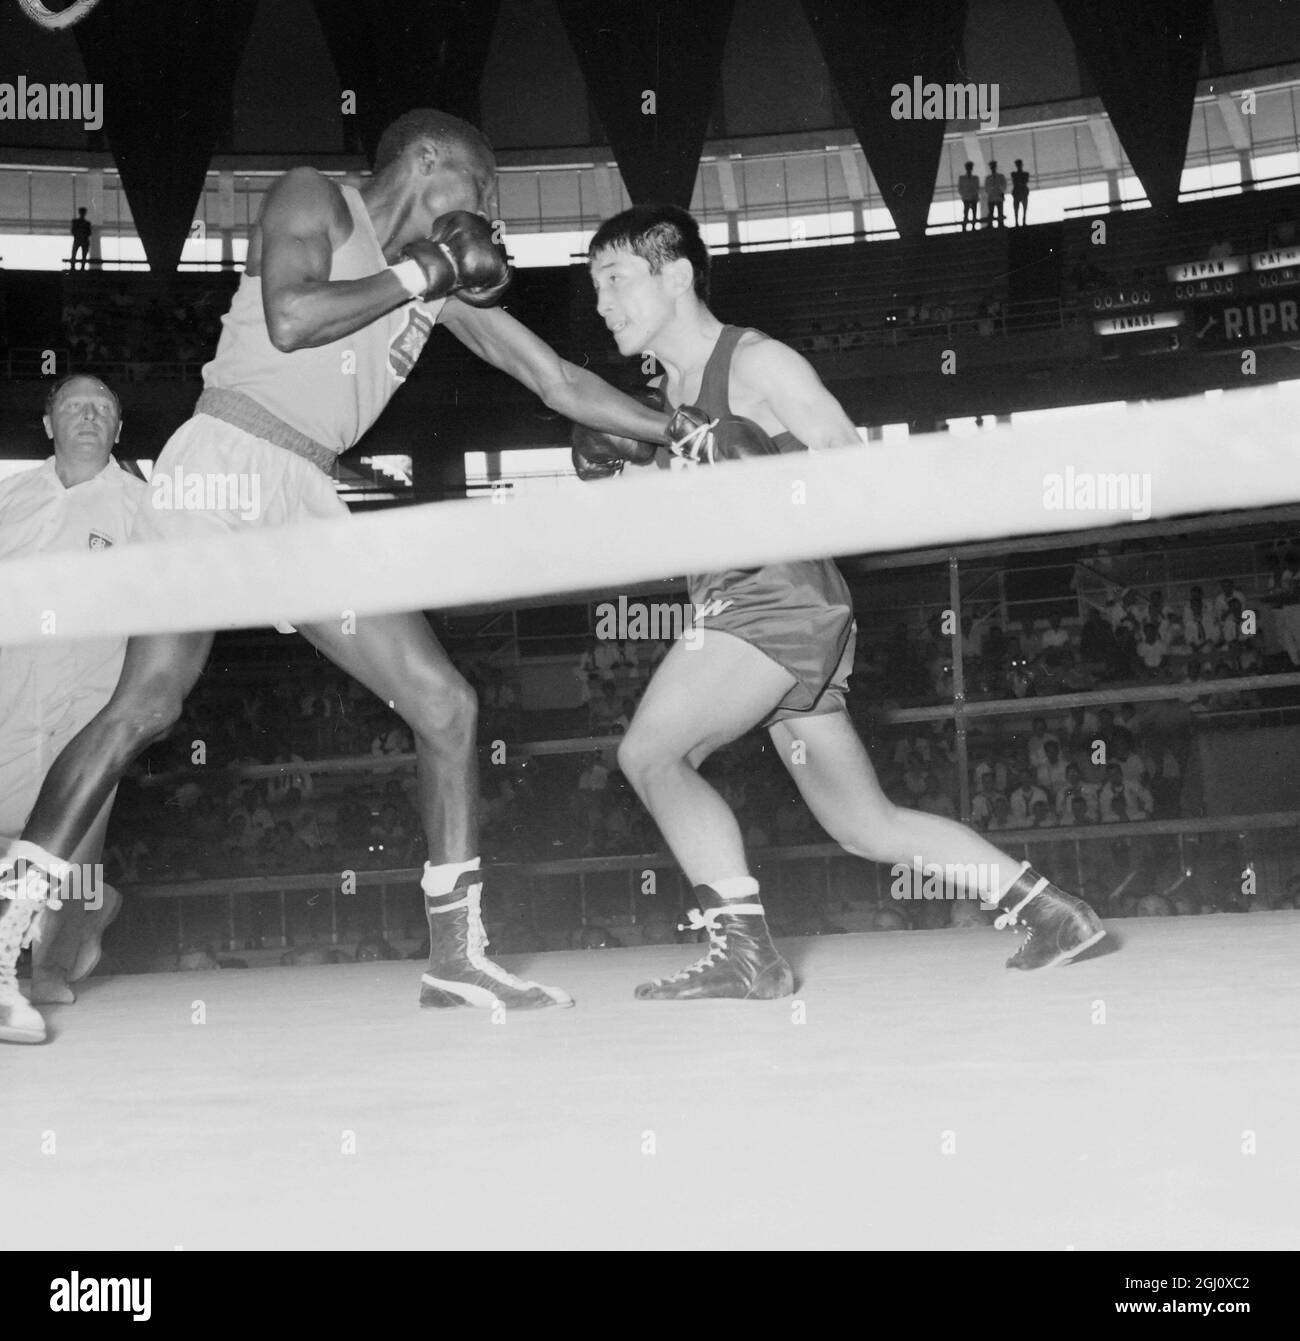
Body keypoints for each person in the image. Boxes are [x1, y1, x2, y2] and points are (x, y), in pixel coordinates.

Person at [0, 108, 677, 1044]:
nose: (490, 212)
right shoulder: (315, 196)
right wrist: (426, 272)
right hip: (222, 457)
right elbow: (289, 319)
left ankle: (457, 956)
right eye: (482, 189)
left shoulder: (436, 290)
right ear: (431, 163)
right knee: (148, 701)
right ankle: (6, 938)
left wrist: (684, 431)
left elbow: (555, 379)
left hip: (306, 493)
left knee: (445, 703)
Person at [576, 203, 1107, 1001]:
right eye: (594, 286)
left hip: (775, 598)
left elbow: (856, 478)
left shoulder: (756, 363)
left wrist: (753, 467)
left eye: (614, 279)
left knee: (650, 754)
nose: (601, 302)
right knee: (865, 825)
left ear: (676, 275)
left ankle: (744, 952)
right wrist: (626, 472)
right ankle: (1051, 911)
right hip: (759, 605)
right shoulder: (667, 392)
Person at [0, 376, 137, 1032]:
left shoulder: (144, 507)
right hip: (9, 686)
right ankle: (91, 911)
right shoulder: (8, 497)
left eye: (103, 409)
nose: (88, 416)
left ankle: (48, 967)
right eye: (73, 407)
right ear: (49, 423)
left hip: (91, 698)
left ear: (118, 429)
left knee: (74, 837)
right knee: (10, 829)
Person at [956, 161, 980, 232]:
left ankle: (973, 227)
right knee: (966, 214)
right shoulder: (962, 178)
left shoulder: (975, 178)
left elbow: (977, 188)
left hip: (973, 198)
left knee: (974, 214)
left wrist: (973, 195)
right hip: (966, 198)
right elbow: (960, 189)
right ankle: (964, 227)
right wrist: (965, 195)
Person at [984, 161, 1006, 228]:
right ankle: (990, 224)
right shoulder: (988, 178)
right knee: (991, 212)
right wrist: (993, 189)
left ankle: (1001, 224)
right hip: (992, 196)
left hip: (998, 196)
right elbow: (986, 188)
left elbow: (1004, 186)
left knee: (1000, 212)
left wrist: (998, 190)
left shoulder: (1000, 176)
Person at [1010, 159, 1030, 226]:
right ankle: (1017, 222)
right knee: (1017, 208)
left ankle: (1021, 222)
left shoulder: (1023, 174)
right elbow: (1022, 181)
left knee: (1023, 208)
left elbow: (1023, 181)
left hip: (1021, 192)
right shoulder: (1015, 174)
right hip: (1019, 192)